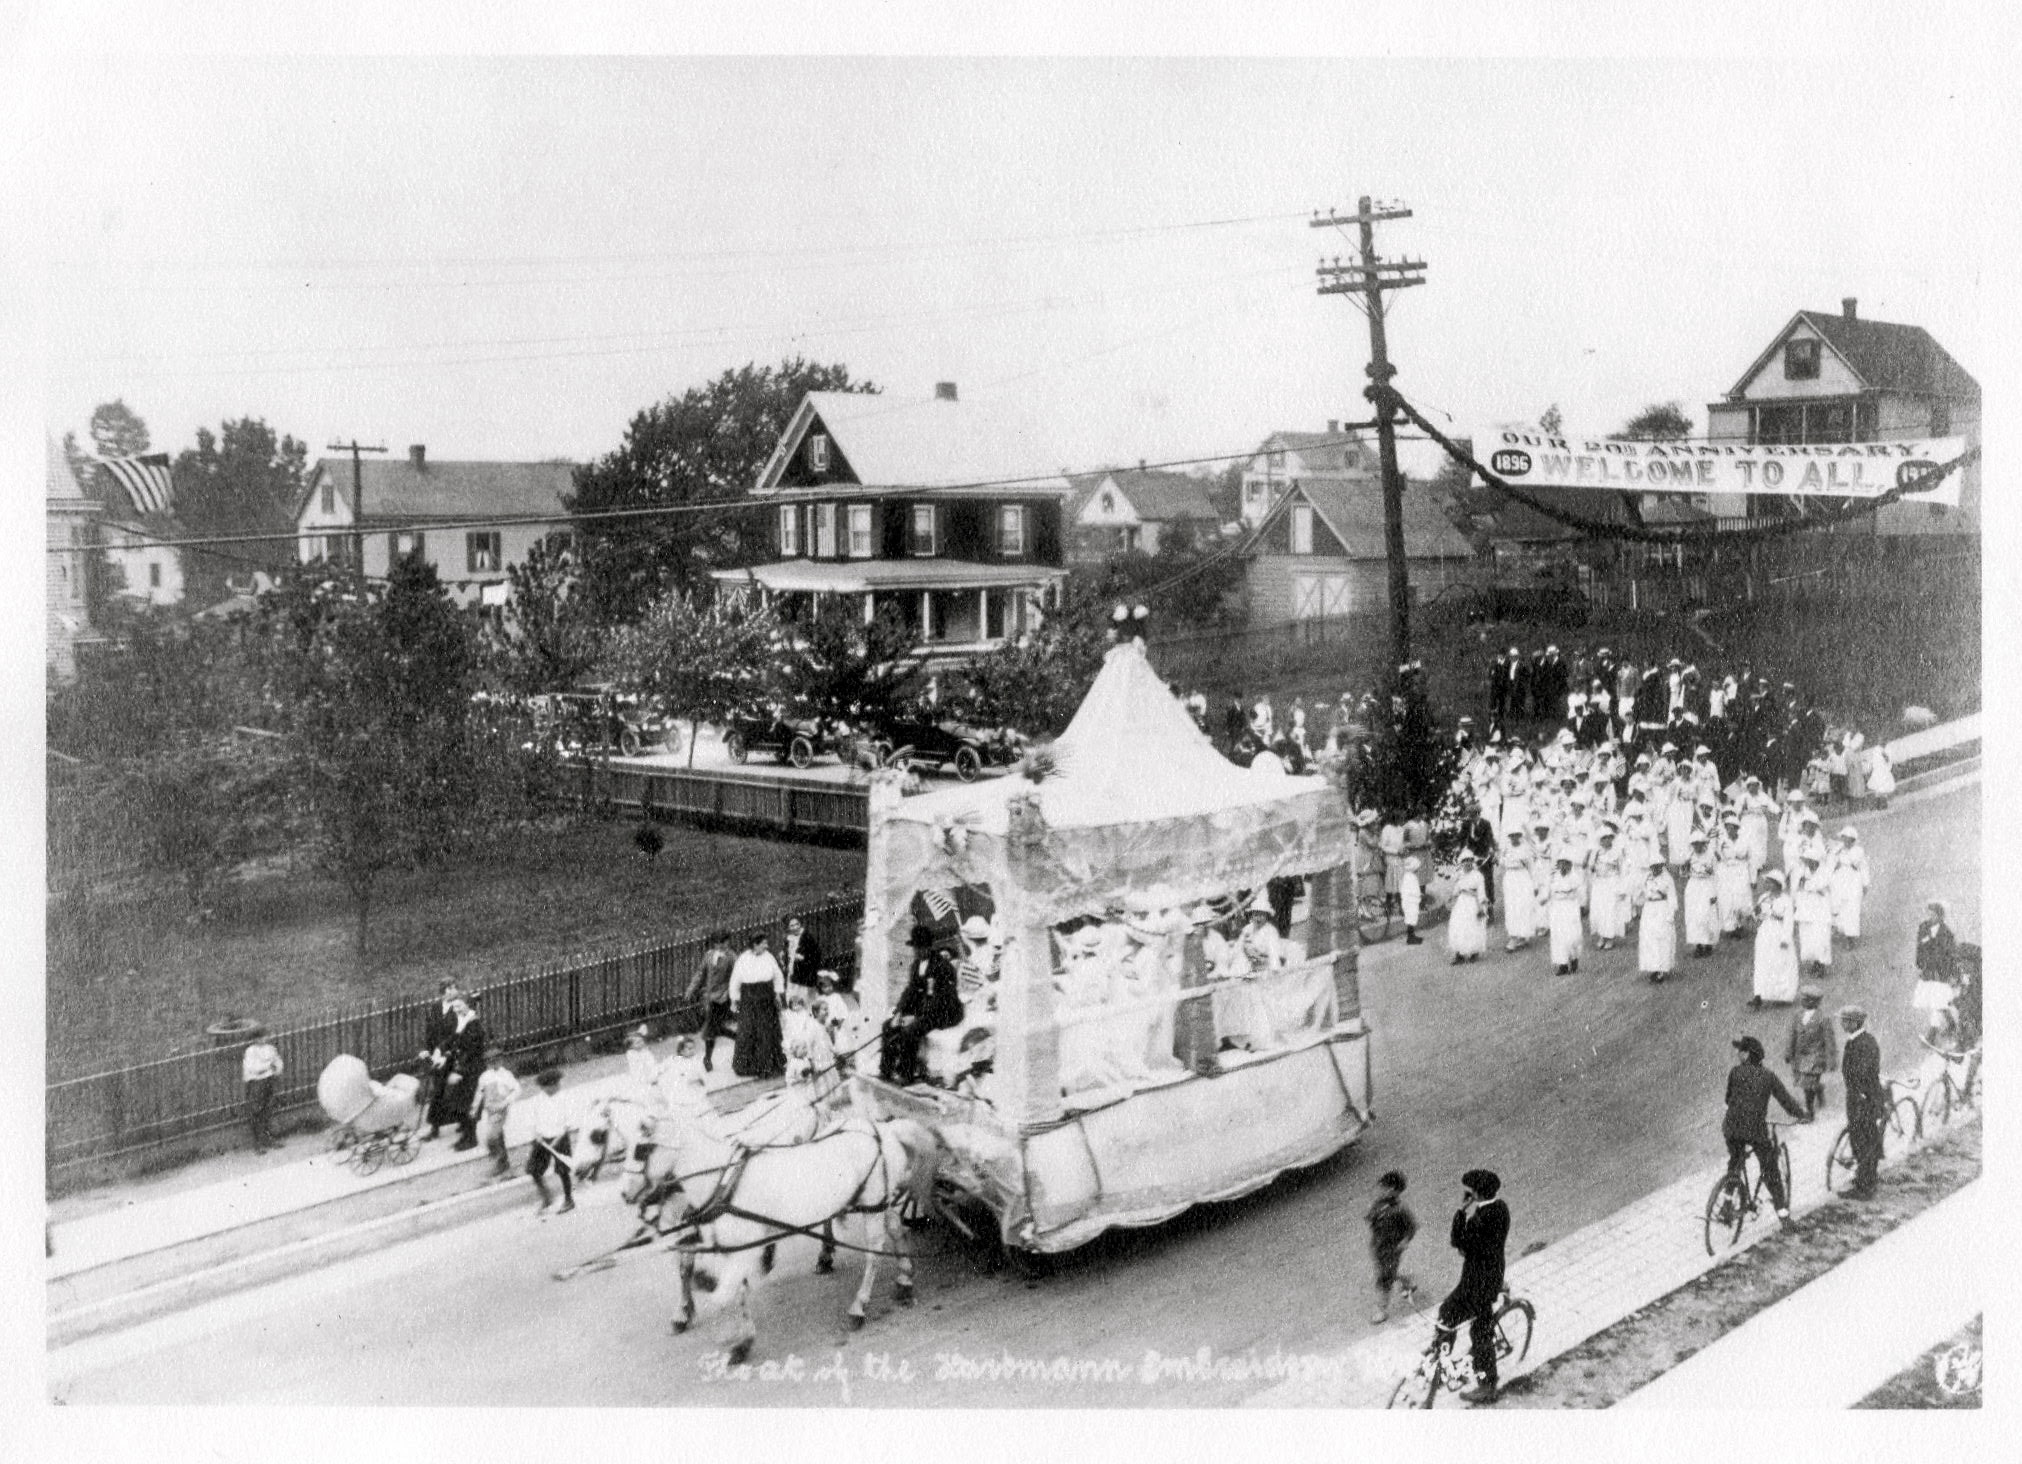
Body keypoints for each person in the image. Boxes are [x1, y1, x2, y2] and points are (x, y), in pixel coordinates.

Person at [1438, 1168, 1511, 1405]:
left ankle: (1487, 1386)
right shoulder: (1500, 1207)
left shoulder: (1479, 1219)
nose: (1465, 1194)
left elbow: (1457, 1242)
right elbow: (1466, 1247)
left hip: (1478, 1281)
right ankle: (1443, 1358)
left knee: (1478, 1333)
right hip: (1490, 1274)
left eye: (1468, 1191)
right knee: (1449, 1313)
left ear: (1476, 1194)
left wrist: (1460, 1211)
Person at [1722, 1035, 1804, 1224]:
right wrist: (1802, 1115)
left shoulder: (1735, 1072)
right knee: (1770, 1169)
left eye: (1740, 1051)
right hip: (1754, 1129)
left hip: (1731, 1127)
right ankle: (1784, 1217)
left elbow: (1728, 1099)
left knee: (1735, 1161)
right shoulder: (1768, 1076)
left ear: (1747, 1055)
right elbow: (1786, 1100)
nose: (1738, 1054)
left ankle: (1726, 1202)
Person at [881, 924, 963, 1086]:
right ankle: (886, 1070)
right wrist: (899, 1013)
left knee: (910, 1031)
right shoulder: (916, 965)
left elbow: (940, 1000)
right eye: (916, 948)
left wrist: (916, 1017)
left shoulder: (943, 967)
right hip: (925, 1008)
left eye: (922, 948)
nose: (918, 952)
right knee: (888, 1026)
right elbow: (910, 991)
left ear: (929, 946)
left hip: (944, 1012)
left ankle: (906, 1073)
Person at [1839, 1006, 1885, 1199]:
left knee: (1863, 1140)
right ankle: (1866, 1179)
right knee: (1861, 1139)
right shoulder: (1858, 1040)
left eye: (1845, 1020)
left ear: (1854, 1023)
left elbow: (1864, 1072)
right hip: (1858, 1097)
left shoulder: (1863, 1043)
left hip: (1863, 1099)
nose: (1842, 1024)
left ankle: (1865, 1187)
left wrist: (1860, 1095)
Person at [729, 931, 788, 1079]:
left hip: (766, 998)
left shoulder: (768, 957)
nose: (767, 945)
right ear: (755, 944)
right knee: (748, 1030)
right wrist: (734, 999)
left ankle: (769, 1066)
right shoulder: (743, 959)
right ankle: (748, 1066)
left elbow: (778, 975)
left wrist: (778, 994)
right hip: (749, 999)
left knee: (767, 1031)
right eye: (763, 943)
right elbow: (735, 980)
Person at [1366, 1170, 1419, 1324]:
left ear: (1394, 1191)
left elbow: (1412, 1227)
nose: (1380, 1191)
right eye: (1381, 1187)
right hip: (1378, 1247)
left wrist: (1404, 1241)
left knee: (1384, 1278)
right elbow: (1371, 1218)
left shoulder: (1400, 1209)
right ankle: (1407, 1282)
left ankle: (1381, 1310)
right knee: (1388, 1272)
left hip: (1392, 1249)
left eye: (1384, 1188)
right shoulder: (1378, 1204)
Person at [523, 1067, 576, 1215]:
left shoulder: (565, 1098)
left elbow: (568, 1124)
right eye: (551, 1085)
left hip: (560, 1138)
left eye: (557, 1083)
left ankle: (569, 1199)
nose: (556, 1087)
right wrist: (537, 1135)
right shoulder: (536, 1101)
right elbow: (532, 1122)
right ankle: (547, 1198)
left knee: (563, 1170)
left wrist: (557, 1140)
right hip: (542, 1140)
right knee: (533, 1169)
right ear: (544, 1087)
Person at [1784, 987, 1836, 1122]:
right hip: (1799, 1057)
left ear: (1815, 1002)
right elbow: (1792, 1035)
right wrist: (1788, 1052)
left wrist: (1831, 1060)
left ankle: (1809, 1113)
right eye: (1802, 998)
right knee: (1802, 1082)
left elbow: (1830, 1041)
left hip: (1815, 1057)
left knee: (1807, 1085)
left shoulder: (1823, 1019)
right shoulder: (1797, 1015)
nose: (1802, 1001)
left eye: (1806, 999)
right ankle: (1818, 1089)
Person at [1751, 870, 1800, 1008]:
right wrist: (1756, 913)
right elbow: (1759, 917)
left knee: (1780, 963)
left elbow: (1789, 921)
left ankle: (1782, 995)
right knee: (1762, 962)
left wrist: (1785, 939)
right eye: (1767, 881)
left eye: (1770, 882)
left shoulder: (1786, 900)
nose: (1767, 884)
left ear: (1777, 884)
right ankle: (1758, 995)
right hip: (1765, 932)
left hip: (1779, 933)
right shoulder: (1764, 897)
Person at [689, 932, 736, 1073]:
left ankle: (708, 1058)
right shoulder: (709, 956)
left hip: (723, 997)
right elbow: (700, 973)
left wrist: (730, 992)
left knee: (712, 1027)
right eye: (718, 943)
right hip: (709, 997)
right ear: (714, 944)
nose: (722, 946)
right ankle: (740, 1039)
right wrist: (691, 989)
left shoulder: (731, 957)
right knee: (715, 1028)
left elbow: (736, 976)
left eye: (725, 942)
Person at [471, 1047, 521, 1178]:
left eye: (496, 1060)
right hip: (490, 1109)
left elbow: (517, 1090)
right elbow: (479, 1093)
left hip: (501, 1107)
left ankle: (500, 1161)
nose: (493, 1063)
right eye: (490, 1061)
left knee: (492, 1136)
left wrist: (506, 1102)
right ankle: (503, 1161)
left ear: (501, 1060)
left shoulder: (506, 1075)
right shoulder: (484, 1077)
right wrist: (474, 1108)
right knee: (497, 1134)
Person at [1791, 853, 1834, 978]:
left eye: (1811, 860)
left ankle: (1821, 966)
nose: (1809, 863)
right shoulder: (1801, 872)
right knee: (1808, 937)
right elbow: (1796, 888)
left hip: (1821, 910)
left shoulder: (1825, 872)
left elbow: (1820, 885)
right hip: (1806, 909)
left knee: (1821, 937)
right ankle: (1814, 963)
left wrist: (1807, 884)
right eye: (1807, 860)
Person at [241, 1028, 283, 1153]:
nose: (263, 1040)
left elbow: (278, 1062)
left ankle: (268, 1139)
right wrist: (268, 1066)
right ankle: (257, 1143)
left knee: (267, 1110)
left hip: (268, 1080)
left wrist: (276, 1068)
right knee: (256, 1112)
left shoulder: (270, 1049)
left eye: (264, 1037)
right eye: (259, 1038)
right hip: (256, 1083)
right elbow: (253, 1068)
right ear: (254, 1039)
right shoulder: (251, 1051)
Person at [1638, 855, 1678, 984]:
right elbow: (1641, 892)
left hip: (1662, 908)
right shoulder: (1647, 877)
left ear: (1662, 865)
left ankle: (1661, 969)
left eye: (1658, 865)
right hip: (1649, 908)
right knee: (1649, 938)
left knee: (1661, 938)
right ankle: (1652, 967)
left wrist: (1670, 914)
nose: (1655, 868)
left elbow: (1672, 897)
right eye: (1653, 866)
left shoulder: (1667, 879)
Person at [1828, 828, 1871, 942]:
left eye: (1848, 839)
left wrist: (1865, 883)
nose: (1845, 840)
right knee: (1839, 906)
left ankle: (1850, 937)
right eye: (1843, 838)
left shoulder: (1858, 851)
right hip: (1839, 880)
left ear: (1852, 840)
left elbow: (1861, 866)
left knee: (1852, 908)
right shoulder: (1838, 850)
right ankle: (1840, 931)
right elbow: (1831, 864)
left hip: (1853, 881)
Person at [1447, 851, 1488, 965]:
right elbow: (1457, 887)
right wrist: (1452, 896)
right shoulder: (1460, 874)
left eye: (1469, 860)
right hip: (1462, 902)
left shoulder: (1478, 875)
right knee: (1459, 926)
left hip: (1473, 902)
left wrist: (1481, 907)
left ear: (1472, 861)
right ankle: (1459, 953)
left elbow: (1481, 891)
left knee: (1472, 926)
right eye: (1464, 861)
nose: (1467, 863)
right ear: (1461, 863)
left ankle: (1474, 951)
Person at [1501, 828, 1538, 952]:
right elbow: (1502, 863)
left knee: (1523, 906)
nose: (1514, 838)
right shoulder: (1506, 848)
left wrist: (1535, 885)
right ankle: (1513, 936)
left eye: (1516, 835)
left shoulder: (1525, 848)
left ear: (1520, 836)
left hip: (1522, 877)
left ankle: (1522, 935)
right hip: (1510, 878)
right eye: (1511, 835)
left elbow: (1531, 867)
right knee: (1511, 907)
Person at [1683, 833, 1719, 959]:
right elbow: (1683, 873)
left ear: (1704, 844)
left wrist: (1714, 892)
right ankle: (1698, 945)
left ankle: (1708, 943)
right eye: (1695, 844)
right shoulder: (1690, 855)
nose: (1697, 846)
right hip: (1693, 886)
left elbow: (1716, 875)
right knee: (1694, 916)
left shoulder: (1710, 856)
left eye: (1700, 843)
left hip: (1707, 885)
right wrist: (1685, 864)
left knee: (1706, 914)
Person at [1547, 854, 1584, 974]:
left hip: (1570, 907)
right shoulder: (1553, 877)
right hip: (1557, 908)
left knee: (1572, 936)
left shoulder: (1575, 877)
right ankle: (1562, 964)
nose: (1563, 866)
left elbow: (1580, 894)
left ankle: (1574, 959)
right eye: (1561, 863)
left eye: (1566, 863)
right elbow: (1547, 892)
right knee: (1558, 936)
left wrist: (1580, 907)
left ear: (1570, 864)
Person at [781, 916, 824, 992]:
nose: (795, 927)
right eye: (792, 925)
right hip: (792, 973)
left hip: (805, 973)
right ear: (788, 928)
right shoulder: (788, 939)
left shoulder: (807, 937)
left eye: (797, 924)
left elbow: (816, 954)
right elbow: (786, 954)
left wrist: (804, 958)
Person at [1399, 856, 1424, 945]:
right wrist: (1417, 894)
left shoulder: (1410, 876)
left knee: (1412, 918)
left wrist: (1418, 894)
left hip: (1412, 900)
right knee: (1411, 918)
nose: (1418, 869)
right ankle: (1410, 937)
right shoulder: (1409, 877)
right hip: (1410, 901)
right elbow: (1410, 890)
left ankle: (1412, 935)